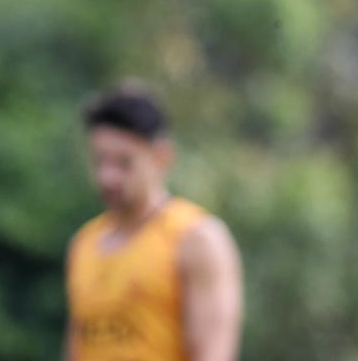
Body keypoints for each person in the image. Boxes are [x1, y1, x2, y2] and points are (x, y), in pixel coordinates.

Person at [65, 84, 243, 361]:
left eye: (124, 163)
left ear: (161, 157)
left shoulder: (195, 239)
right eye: (100, 161)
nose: (107, 177)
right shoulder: (84, 243)